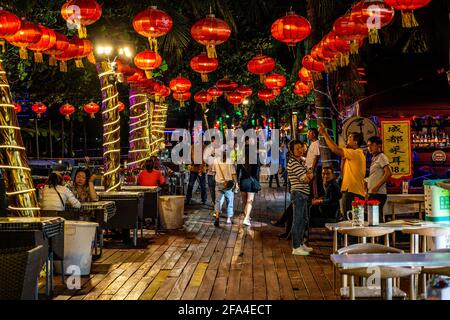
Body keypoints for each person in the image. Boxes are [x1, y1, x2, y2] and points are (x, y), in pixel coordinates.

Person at [319, 123, 366, 219]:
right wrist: (344, 158)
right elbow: (342, 171)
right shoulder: (356, 154)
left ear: (355, 142)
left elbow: (334, 149)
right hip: (353, 191)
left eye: (349, 138)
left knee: (349, 219)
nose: (347, 140)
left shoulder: (355, 153)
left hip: (352, 191)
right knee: (353, 219)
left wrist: (324, 134)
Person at [287, 140, 314, 255]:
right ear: (292, 151)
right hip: (298, 194)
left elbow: (310, 174)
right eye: (297, 148)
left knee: (304, 220)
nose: (300, 150)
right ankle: (296, 246)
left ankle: (301, 243)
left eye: (301, 148)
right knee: (297, 220)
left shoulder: (301, 162)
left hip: (303, 194)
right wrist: (309, 175)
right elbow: (305, 179)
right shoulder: (293, 163)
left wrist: (309, 174)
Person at [237, 137, 261, 227]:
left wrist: (237, 182)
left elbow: (237, 170)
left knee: (244, 201)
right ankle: (247, 218)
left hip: (243, 180)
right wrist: (257, 181)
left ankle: (246, 215)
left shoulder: (241, 157)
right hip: (252, 180)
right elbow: (258, 170)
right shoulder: (256, 156)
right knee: (249, 201)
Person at [366, 136, 392, 219]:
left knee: (376, 219)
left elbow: (388, 172)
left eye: (372, 145)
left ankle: (382, 232)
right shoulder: (374, 158)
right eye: (368, 145)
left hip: (378, 193)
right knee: (373, 218)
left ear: (379, 145)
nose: (369, 148)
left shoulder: (381, 156)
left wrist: (377, 187)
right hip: (373, 192)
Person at [213, 146, 239, 226]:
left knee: (217, 201)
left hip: (218, 183)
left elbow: (214, 172)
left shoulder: (216, 160)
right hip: (228, 184)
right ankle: (228, 219)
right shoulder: (229, 161)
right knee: (229, 201)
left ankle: (217, 216)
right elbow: (233, 173)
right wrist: (236, 183)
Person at [305, 128, 321, 197]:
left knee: (314, 187)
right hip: (310, 168)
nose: (307, 135)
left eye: (309, 133)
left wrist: (312, 169)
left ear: (314, 134)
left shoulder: (316, 143)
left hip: (313, 168)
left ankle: (315, 200)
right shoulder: (312, 143)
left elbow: (316, 157)